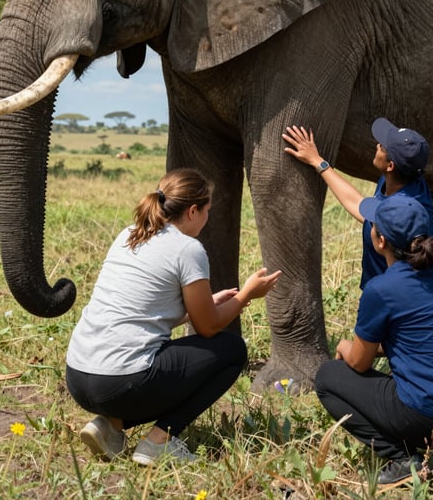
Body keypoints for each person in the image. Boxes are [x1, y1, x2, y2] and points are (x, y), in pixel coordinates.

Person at [65, 168, 281, 464]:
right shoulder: (188, 249)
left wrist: (204, 304)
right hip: (119, 382)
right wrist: (246, 295)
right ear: (193, 211)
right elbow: (208, 328)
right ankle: (159, 441)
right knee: (231, 350)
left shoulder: (129, 234)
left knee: (151, 369)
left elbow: (144, 311)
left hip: (78, 377)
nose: (207, 217)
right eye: (207, 210)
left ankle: (110, 426)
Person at [315, 194, 433, 484]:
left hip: (427, 415)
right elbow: (426, 334)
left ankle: (402, 459)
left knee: (327, 377)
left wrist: (344, 347)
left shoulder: (381, 289)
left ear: (380, 241)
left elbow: (359, 362)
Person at [283, 117, 433, 288]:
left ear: (390, 165)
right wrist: (318, 161)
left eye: (383, 146)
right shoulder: (406, 178)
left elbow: (359, 207)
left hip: (392, 295)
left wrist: (317, 162)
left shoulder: (402, 210)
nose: (377, 145)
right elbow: (361, 205)